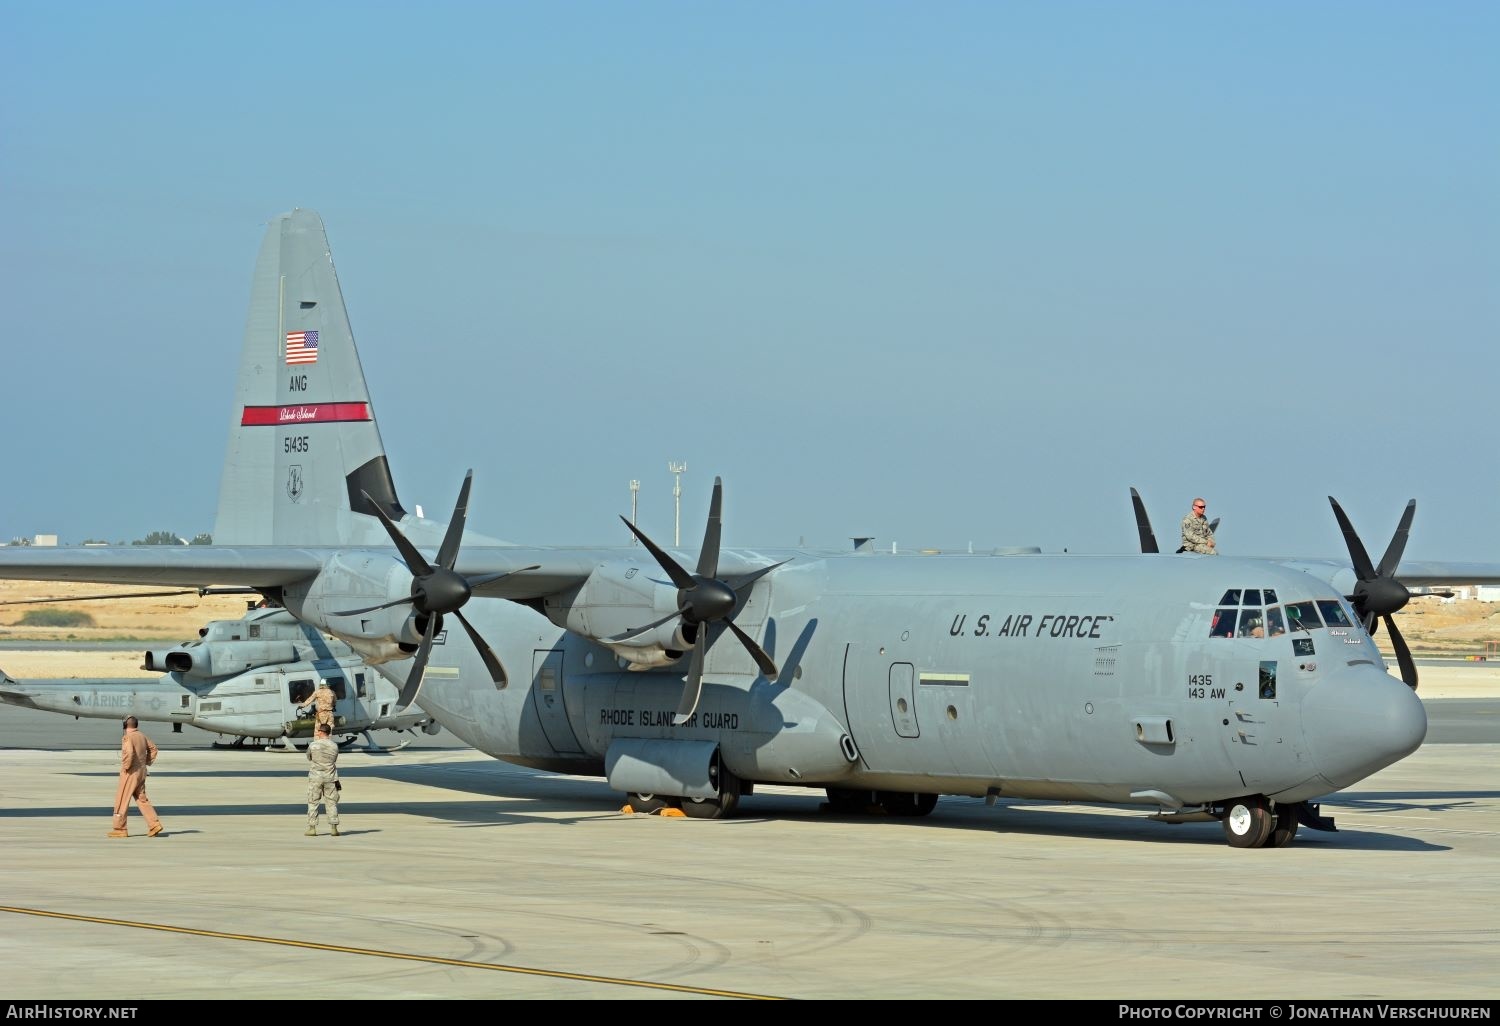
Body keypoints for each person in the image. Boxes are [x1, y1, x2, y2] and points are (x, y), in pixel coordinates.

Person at [109, 716, 164, 838]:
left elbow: (129, 753)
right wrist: (146, 762)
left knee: (122, 799)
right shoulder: (141, 735)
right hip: (141, 771)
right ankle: (154, 824)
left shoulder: (128, 737)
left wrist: (126, 767)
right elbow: (153, 748)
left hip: (131, 772)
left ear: (125, 725)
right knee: (142, 799)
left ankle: (120, 828)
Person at [305, 723, 341, 837]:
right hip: (330, 778)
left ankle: (312, 828)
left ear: (321, 732)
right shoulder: (334, 746)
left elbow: (309, 757)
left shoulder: (313, 745)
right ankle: (334, 828)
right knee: (331, 803)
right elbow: (334, 759)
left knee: (313, 802)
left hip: (315, 777)